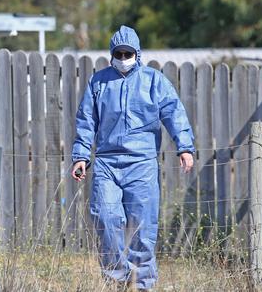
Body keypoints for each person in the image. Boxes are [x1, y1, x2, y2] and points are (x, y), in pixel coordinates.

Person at [71, 25, 195, 291]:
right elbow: (86, 121)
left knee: (142, 227)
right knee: (105, 218)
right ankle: (116, 281)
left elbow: (174, 113)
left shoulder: (155, 81)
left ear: (138, 54)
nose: (124, 57)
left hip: (143, 164)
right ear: (111, 54)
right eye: (119, 53)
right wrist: (81, 155)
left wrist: (184, 146)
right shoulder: (99, 82)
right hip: (106, 162)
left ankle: (142, 285)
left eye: (128, 53)